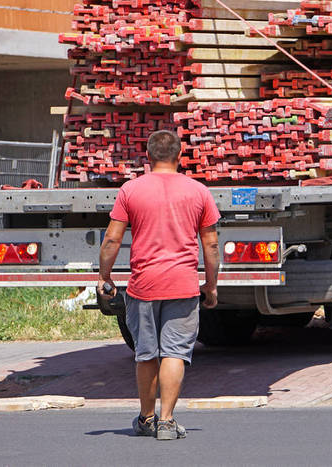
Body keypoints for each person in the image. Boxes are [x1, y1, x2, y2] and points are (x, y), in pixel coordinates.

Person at [97, 130, 220, 441]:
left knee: (147, 354)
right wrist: (211, 285)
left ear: (147, 159)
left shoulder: (130, 190)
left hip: (143, 286)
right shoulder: (198, 191)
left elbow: (112, 238)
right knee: (175, 353)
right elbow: (212, 245)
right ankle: (166, 421)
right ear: (179, 157)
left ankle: (146, 418)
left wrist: (105, 276)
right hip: (183, 285)